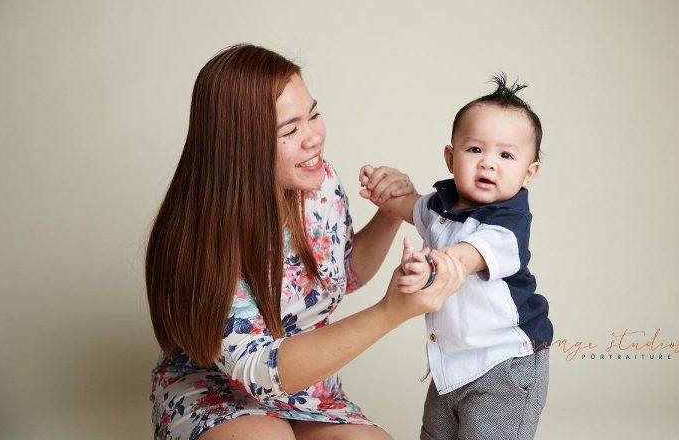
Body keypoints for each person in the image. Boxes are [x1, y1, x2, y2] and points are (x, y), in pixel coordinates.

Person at [145, 44, 466, 440]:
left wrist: (388, 212)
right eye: (290, 130)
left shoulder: (320, 184)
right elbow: (257, 371)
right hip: (217, 388)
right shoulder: (200, 237)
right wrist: (390, 311)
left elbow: (343, 274)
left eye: (313, 114)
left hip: (308, 386)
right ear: (240, 146)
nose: (313, 137)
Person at [359, 74, 553, 439]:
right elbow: (407, 206)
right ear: (450, 157)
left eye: (506, 155)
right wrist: (382, 189)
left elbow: (467, 257)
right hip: (451, 364)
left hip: (505, 364)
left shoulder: (509, 223)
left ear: (529, 173)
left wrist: (432, 266)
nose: (487, 163)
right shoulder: (440, 204)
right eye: (474, 149)